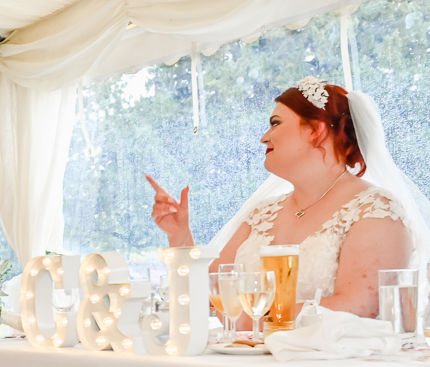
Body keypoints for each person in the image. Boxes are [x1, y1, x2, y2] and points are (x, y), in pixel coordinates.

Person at [147, 78, 425, 318]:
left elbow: (359, 307)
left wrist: (256, 319)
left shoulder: (375, 210)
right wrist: (180, 236)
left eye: (275, 123)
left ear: (316, 129)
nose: (264, 138)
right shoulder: (262, 213)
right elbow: (211, 292)